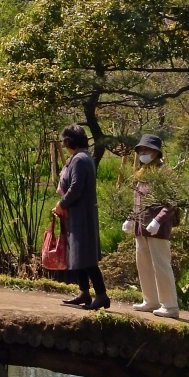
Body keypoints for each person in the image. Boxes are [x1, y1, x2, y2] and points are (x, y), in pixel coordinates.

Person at [122, 133, 179, 319]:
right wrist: (131, 218)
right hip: (141, 226)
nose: (143, 153)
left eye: (146, 149)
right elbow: (137, 200)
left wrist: (158, 220)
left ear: (156, 152)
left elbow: (171, 201)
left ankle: (170, 306)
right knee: (143, 264)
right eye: (141, 150)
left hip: (157, 228)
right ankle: (150, 301)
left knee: (161, 265)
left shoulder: (165, 173)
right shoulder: (141, 173)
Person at [54, 124, 109, 310]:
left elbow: (76, 187)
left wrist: (62, 204)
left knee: (86, 257)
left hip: (81, 215)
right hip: (79, 214)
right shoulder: (85, 158)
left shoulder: (79, 160)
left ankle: (101, 294)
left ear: (69, 142)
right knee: (77, 255)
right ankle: (84, 292)